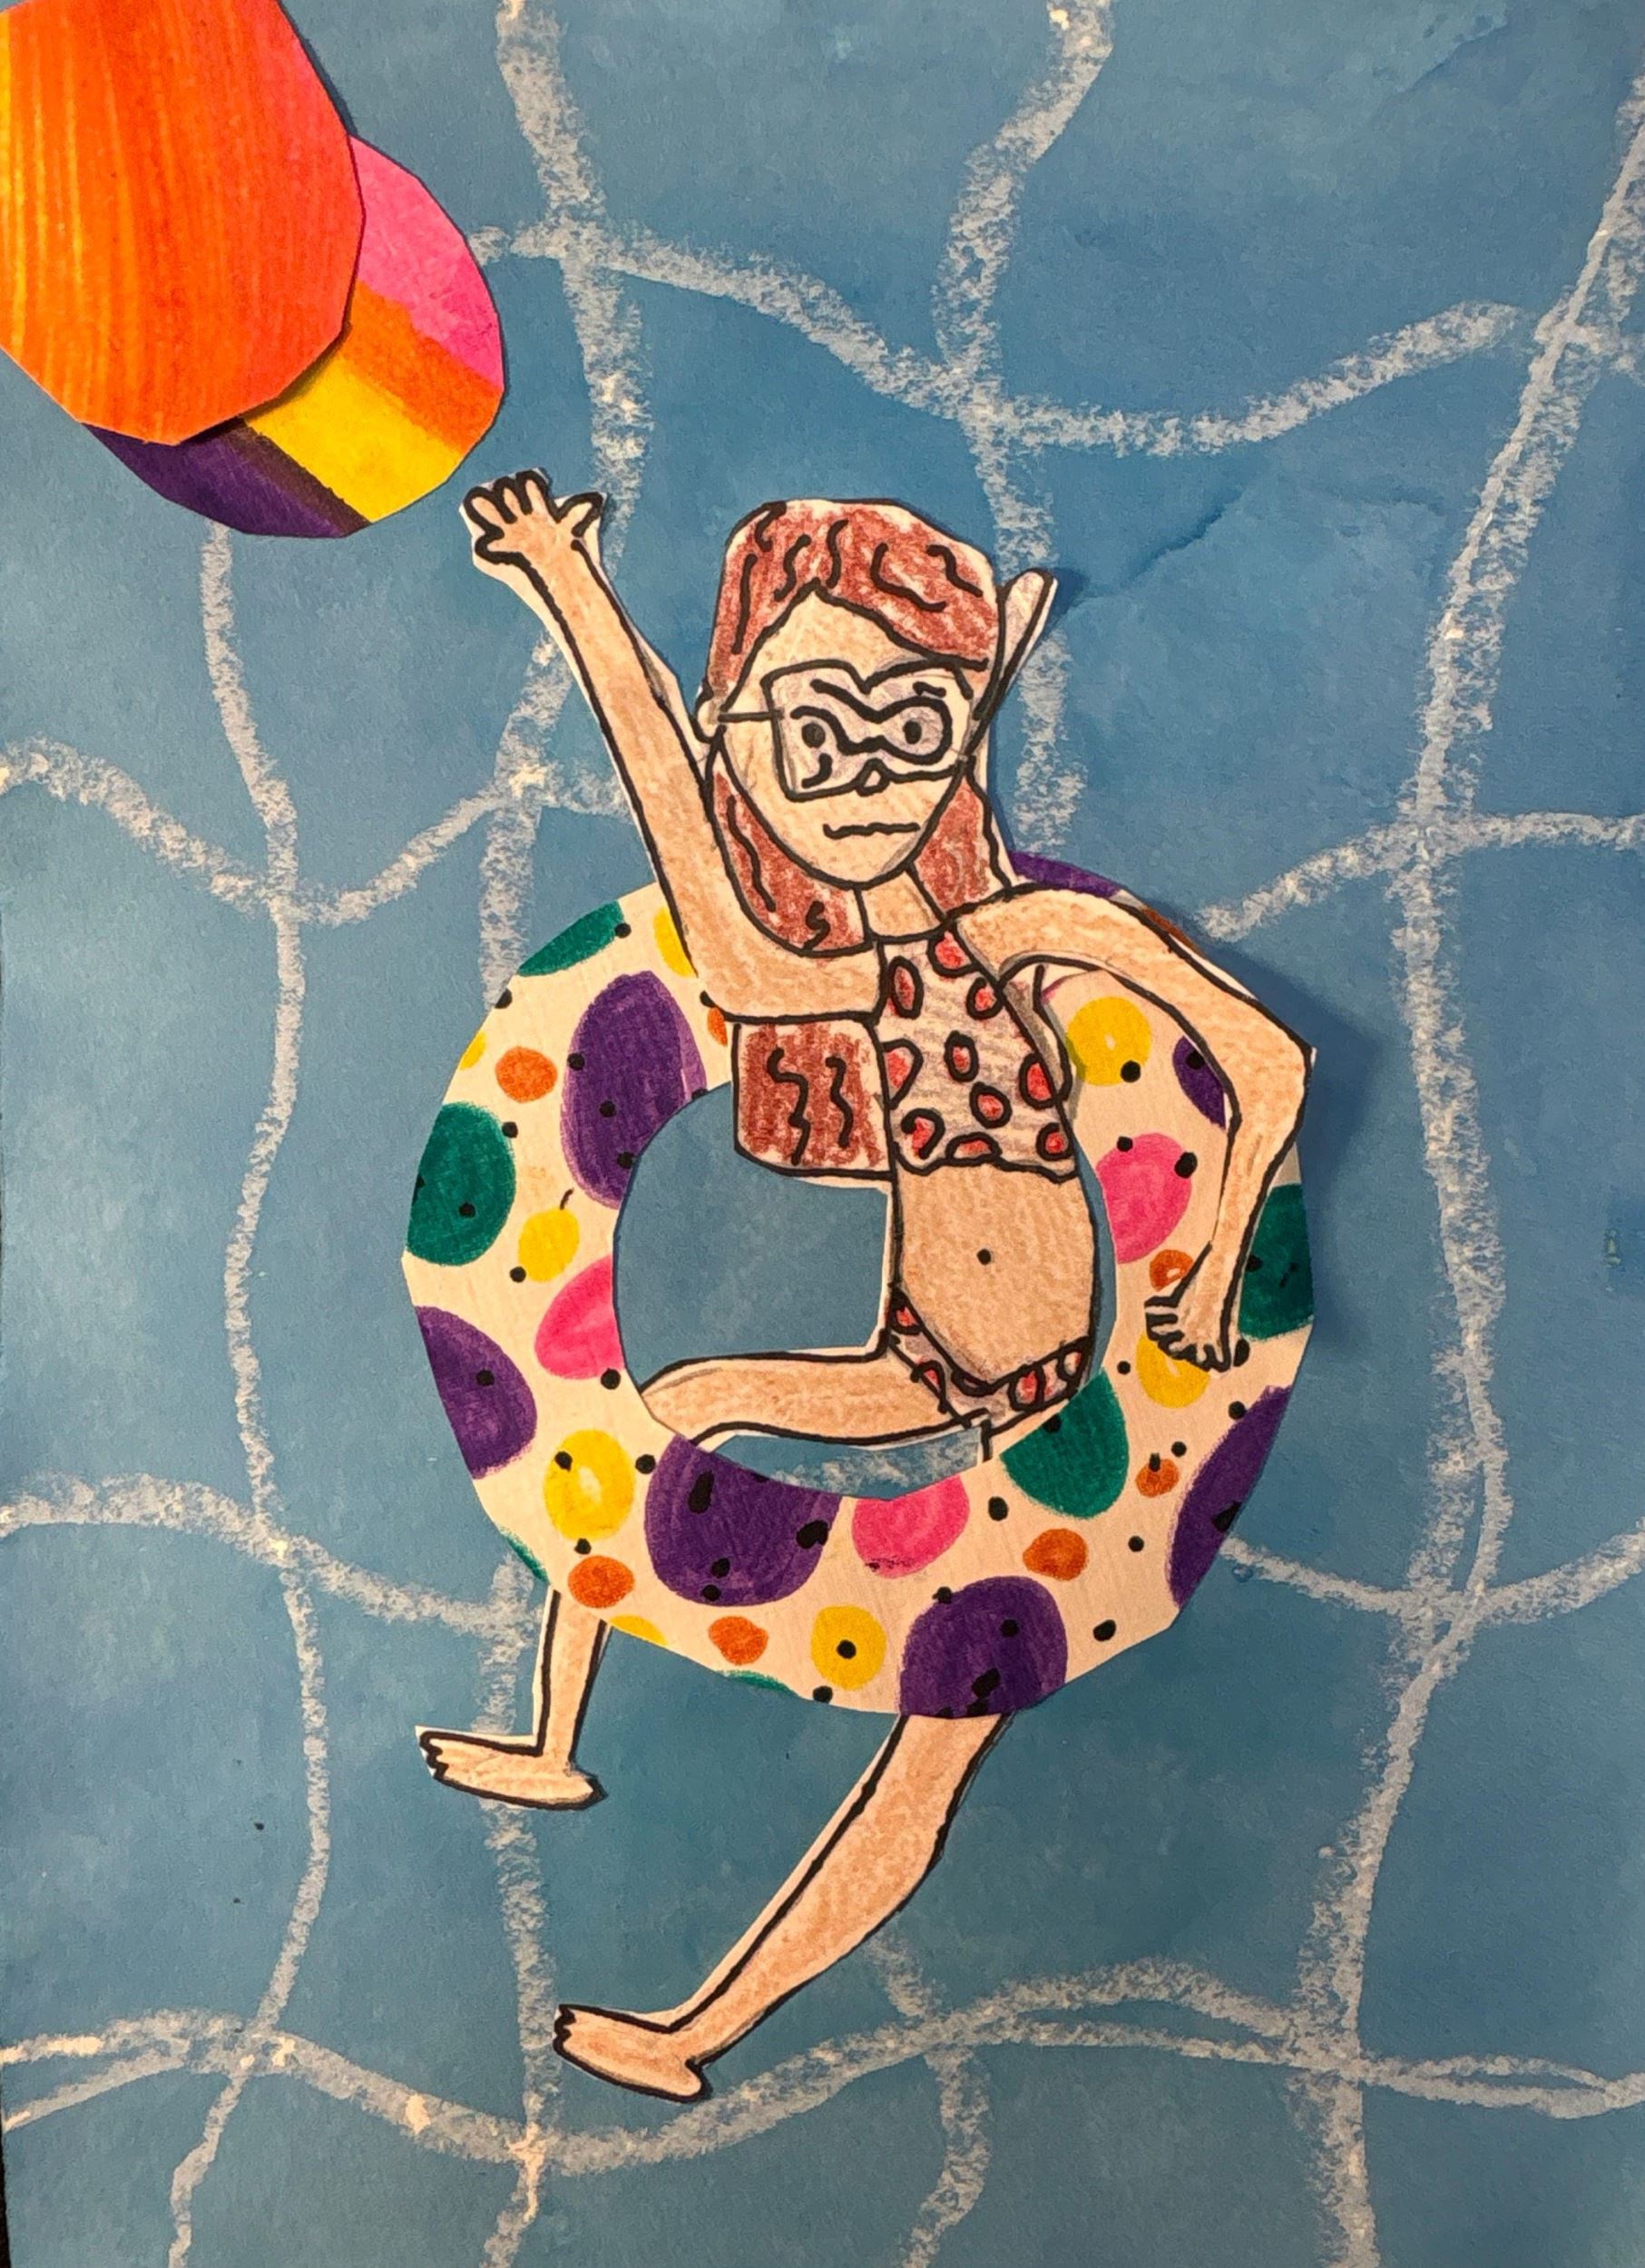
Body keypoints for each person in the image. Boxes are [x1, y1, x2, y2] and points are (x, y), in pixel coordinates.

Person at [423, 472, 1308, 2102]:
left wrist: (1213, 1265)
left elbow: (1268, 1061)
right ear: (741, 734)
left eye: (908, 728)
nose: (856, 774)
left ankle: (696, 2034)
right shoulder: (837, 970)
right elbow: (701, 863)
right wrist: (569, 591)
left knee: (935, 1741)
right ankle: (549, 1746)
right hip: (921, 1357)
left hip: (1072, 1416)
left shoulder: (1025, 935)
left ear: (956, 741)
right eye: (809, 731)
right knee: (673, 1413)